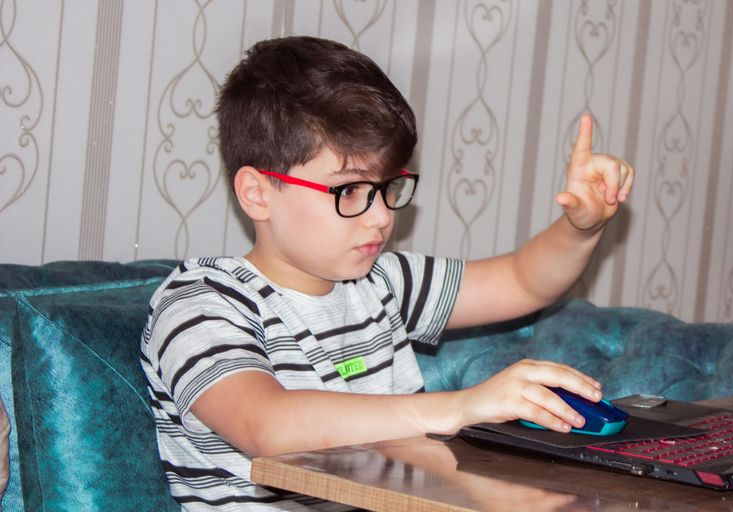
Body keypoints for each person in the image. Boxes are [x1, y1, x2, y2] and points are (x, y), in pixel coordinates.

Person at [140, 35, 634, 511]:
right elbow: (265, 424)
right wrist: (458, 407)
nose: (381, 217)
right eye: (350, 191)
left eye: (388, 187)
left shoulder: (380, 283)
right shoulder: (200, 302)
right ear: (257, 193)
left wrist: (578, 228)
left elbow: (524, 282)